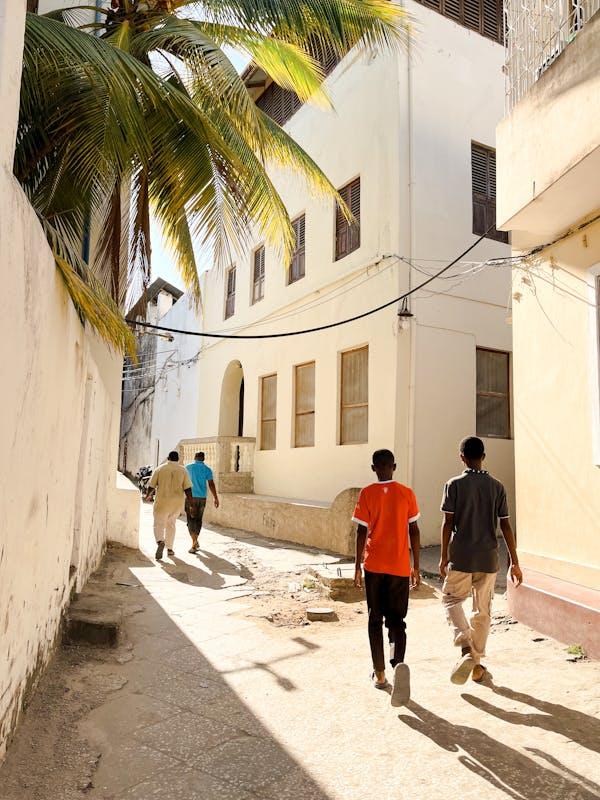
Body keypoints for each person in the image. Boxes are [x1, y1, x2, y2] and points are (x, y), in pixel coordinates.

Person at [439, 436, 522, 685]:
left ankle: (466, 649)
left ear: (462, 456)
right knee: (482, 611)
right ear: (483, 456)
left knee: (450, 600)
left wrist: (444, 556)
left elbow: (447, 523)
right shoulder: (497, 486)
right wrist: (515, 562)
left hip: (462, 556)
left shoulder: (453, 485)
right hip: (488, 558)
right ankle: (476, 666)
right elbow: (505, 526)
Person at [353, 449, 421, 707]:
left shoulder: (367, 493)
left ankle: (380, 674)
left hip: (374, 566)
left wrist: (357, 565)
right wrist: (415, 566)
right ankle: (398, 662)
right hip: (400, 567)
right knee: (397, 620)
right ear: (395, 466)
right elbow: (414, 529)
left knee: (374, 619)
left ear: (373, 468)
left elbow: (361, 531)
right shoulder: (407, 493)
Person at [146, 451, 192, 560]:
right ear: (178, 459)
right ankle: (170, 549)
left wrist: (148, 495)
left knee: (159, 524)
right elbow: (188, 488)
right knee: (171, 524)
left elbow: (152, 485)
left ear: (168, 458)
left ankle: (160, 541)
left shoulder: (160, 469)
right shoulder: (183, 470)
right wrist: (191, 503)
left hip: (162, 502)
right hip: (176, 503)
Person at [185, 451, 219, 554]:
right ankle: (195, 541)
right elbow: (211, 484)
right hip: (202, 498)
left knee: (191, 520)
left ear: (195, 457)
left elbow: (182, 482)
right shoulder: (207, 469)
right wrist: (215, 498)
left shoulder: (188, 467)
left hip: (190, 498)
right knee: (198, 520)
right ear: (203, 459)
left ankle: (194, 542)